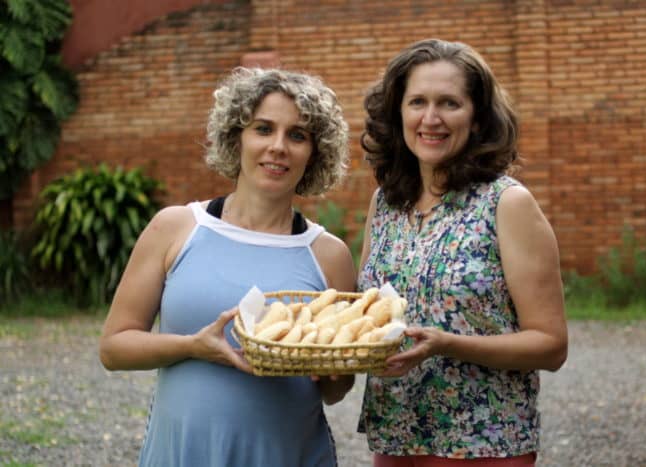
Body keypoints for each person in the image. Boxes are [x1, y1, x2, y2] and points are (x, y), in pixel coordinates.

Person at [99, 67, 356, 466]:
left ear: (315, 151)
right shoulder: (176, 228)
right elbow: (114, 348)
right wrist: (193, 346)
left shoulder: (329, 255)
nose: (278, 147)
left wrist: (332, 371)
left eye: (297, 135)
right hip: (183, 454)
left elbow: (336, 389)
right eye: (263, 129)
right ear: (237, 137)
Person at [356, 38, 568, 466]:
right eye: (417, 101)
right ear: (398, 113)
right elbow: (365, 312)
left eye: (449, 103)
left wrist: (447, 343)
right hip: (397, 436)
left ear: (477, 119)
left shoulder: (506, 204)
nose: (430, 118)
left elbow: (550, 345)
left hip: (483, 441)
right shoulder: (386, 203)